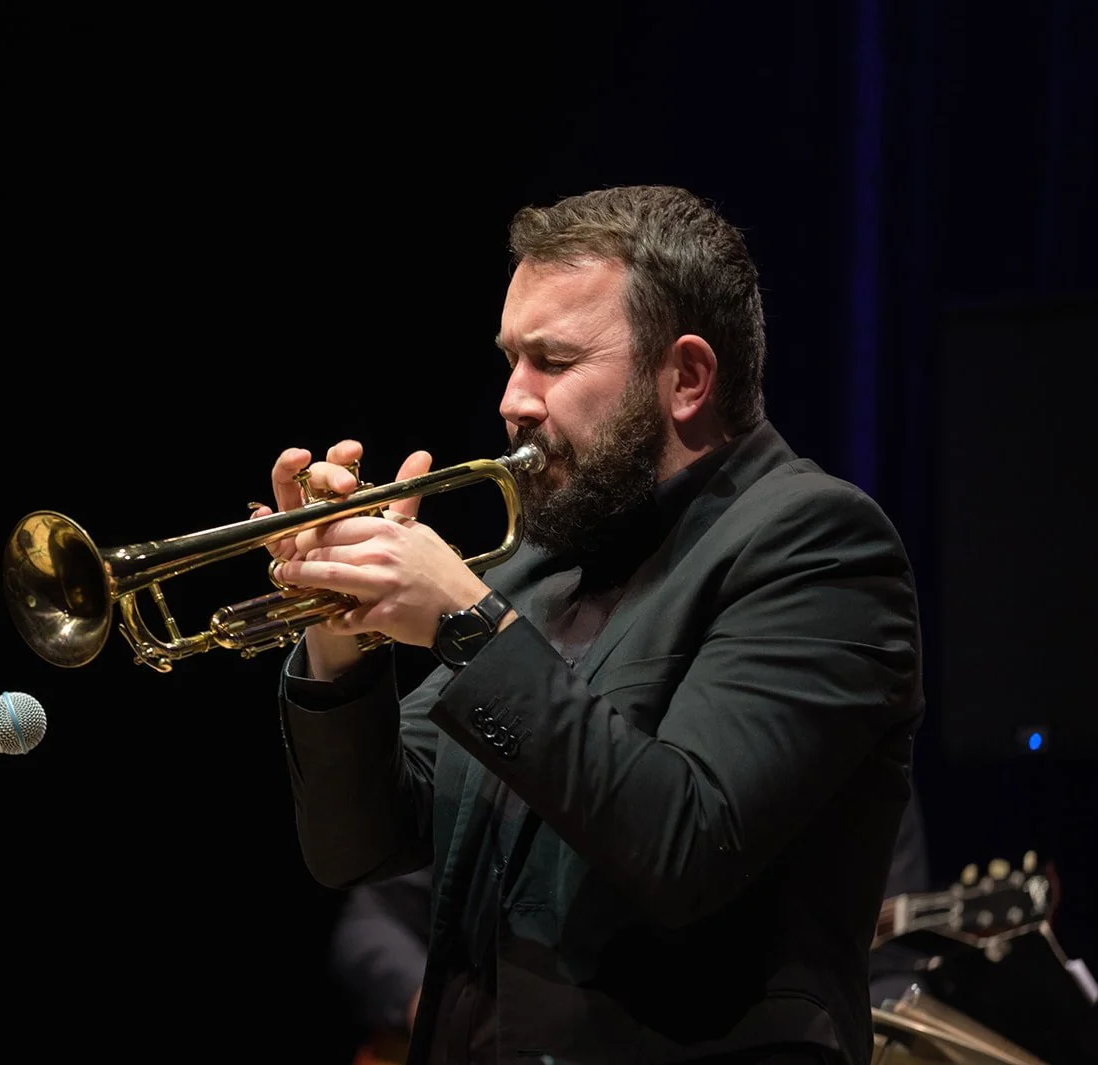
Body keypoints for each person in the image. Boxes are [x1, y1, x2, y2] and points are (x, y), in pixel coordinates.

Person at [251, 184, 924, 1064]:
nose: (512, 399)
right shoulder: (541, 558)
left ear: (686, 377)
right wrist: (340, 630)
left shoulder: (819, 547)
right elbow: (359, 845)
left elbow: (685, 839)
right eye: (509, 359)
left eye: (552, 362)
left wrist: (465, 620)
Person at [327, 790, 933, 1064]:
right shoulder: (532, 744)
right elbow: (368, 924)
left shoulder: (859, 780)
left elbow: (890, 977)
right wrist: (437, 1015)